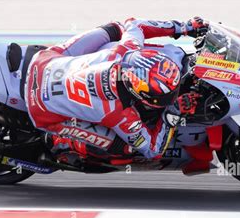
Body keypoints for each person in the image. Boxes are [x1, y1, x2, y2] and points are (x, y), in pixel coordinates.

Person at [25, 17, 208, 160]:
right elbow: (153, 150)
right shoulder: (119, 114)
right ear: (140, 95)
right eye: (163, 97)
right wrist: (173, 112)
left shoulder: (125, 51)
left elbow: (135, 24)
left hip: (44, 61)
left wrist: (183, 27)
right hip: (42, 111)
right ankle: (61, 142)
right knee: (125, 148)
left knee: (115, 29)